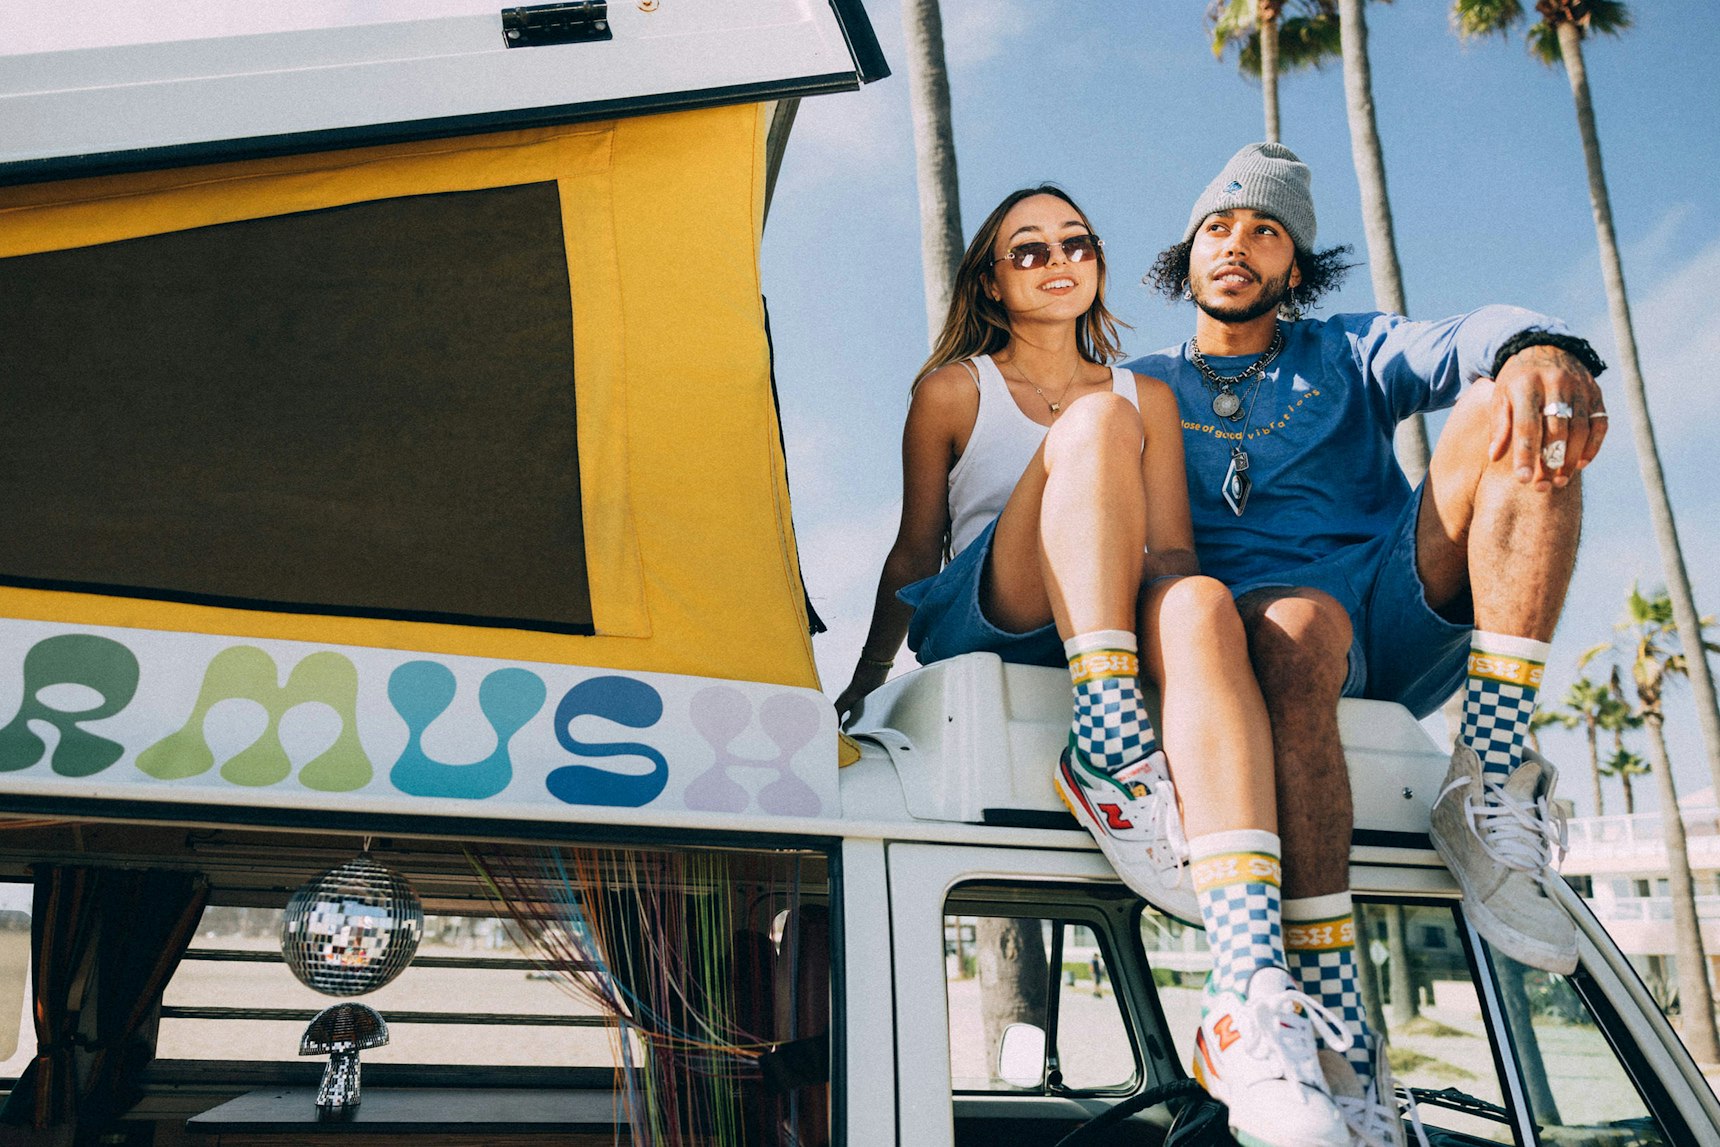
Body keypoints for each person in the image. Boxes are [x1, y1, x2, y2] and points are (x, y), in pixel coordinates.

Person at [838, 184, 1352, 1147]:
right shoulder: (954, 390)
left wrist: (1194, 632)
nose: (1058, 260)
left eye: (1077, 243)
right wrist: (866, 682)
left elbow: (1170, 551)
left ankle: (1245, 981)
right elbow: (914, 550)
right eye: (1029, 250)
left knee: (1197, 598)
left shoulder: (1146, 392)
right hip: (991, 609)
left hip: (1104, 613)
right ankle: (1109, 742)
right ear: (991, 281)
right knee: (1094, 424)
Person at [1126, 143, 1607, 1146]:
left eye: (1265, 231)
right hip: (1250, 646)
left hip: (1393, 610)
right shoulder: (1145, 386)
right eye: (1218, 227)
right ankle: (1341, 1036)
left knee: (1509, 402)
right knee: (1292, 629)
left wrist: (1538, 347)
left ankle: (1487, 772)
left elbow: (1466, 336)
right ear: (1187, 251)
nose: (1237, 245)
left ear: (1296, 266)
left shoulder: (1346, 350)